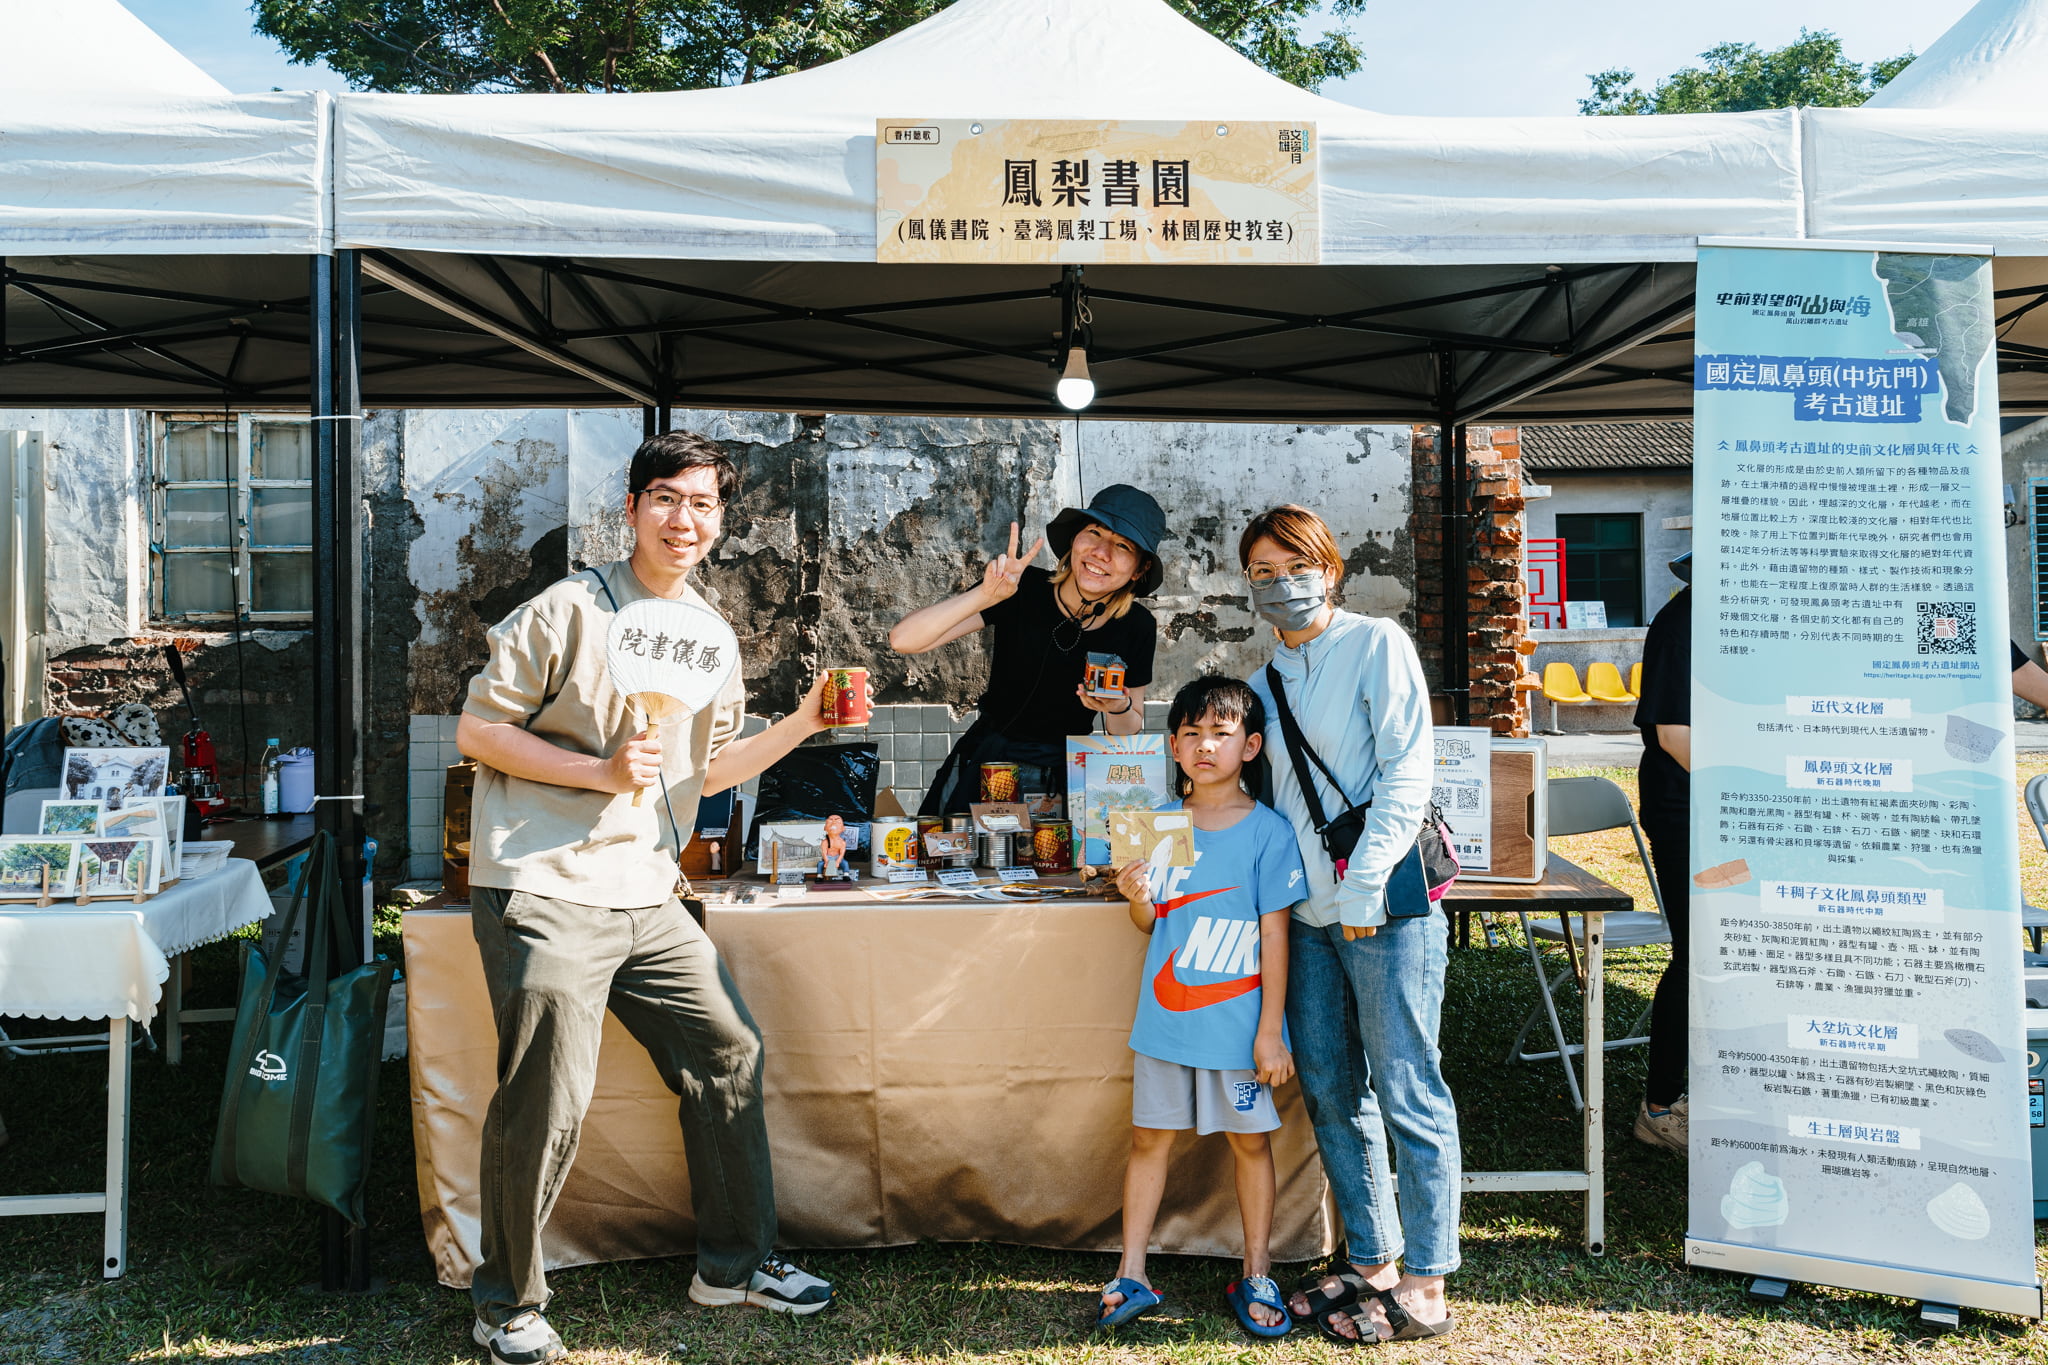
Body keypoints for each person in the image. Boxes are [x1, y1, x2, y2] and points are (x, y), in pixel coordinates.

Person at [455, 431, 842, 1365]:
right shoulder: (568, 608)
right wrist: (596, 771)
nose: (684, 519)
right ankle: (506, 1302)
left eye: (703, 503)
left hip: (647, 890)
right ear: (631, 508)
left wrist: (804, 721)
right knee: (548, 1092)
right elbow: (478, 730)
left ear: (721, 520)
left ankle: (734, 1265)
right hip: (546, 884)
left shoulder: (710, 636)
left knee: (727, 1049)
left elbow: (706, 769)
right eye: (666, 498)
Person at [1240, 505, 1459, 1346]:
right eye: (1262, 572)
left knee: (1407, 1086)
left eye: (1295, 566)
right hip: (1305, 917)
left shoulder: (1377, 644)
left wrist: (1363, 887)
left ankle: (1428, 1281)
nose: (1281, 584)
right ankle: (1372, 1258)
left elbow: (1407, 772)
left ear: (1330, 570)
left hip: (1383, 909)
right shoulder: (1263, 681)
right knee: (1333, 1090)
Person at [1098, 676, 1304, 1337]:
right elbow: (1148, 922)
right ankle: (1131, 1271)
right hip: (1165, 1024)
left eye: (1221, 733)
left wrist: (1270, 1032)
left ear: (1251, 746)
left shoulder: (1270, 831)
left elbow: (1276, 936)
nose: (1205, 746)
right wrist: (1136, 895)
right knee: (1147, 1141)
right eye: (1191, 733)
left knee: (1251, 1143)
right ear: (1173, 746)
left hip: (1239, 1029)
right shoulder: (1155, 824)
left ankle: (1257, 1272)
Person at [889, 486, 1167, 815]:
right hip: (987, 763)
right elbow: (903, 639)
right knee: (955, 849)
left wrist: (1118, 707)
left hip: (1065, 778)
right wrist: (985, 596)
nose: (1101, 552)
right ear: (1075, 539)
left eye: (1122, 545)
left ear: (1139, 569)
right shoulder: (1020, 588)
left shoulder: (1137, 625)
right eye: (1095, 532)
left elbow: (1128, 728)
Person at [1633, 553, 1691, 1154]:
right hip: (1691, 814)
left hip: (1749, 816)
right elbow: (1675, 736)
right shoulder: (1682, 623)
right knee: (1699, 953)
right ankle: (1660, 1106)